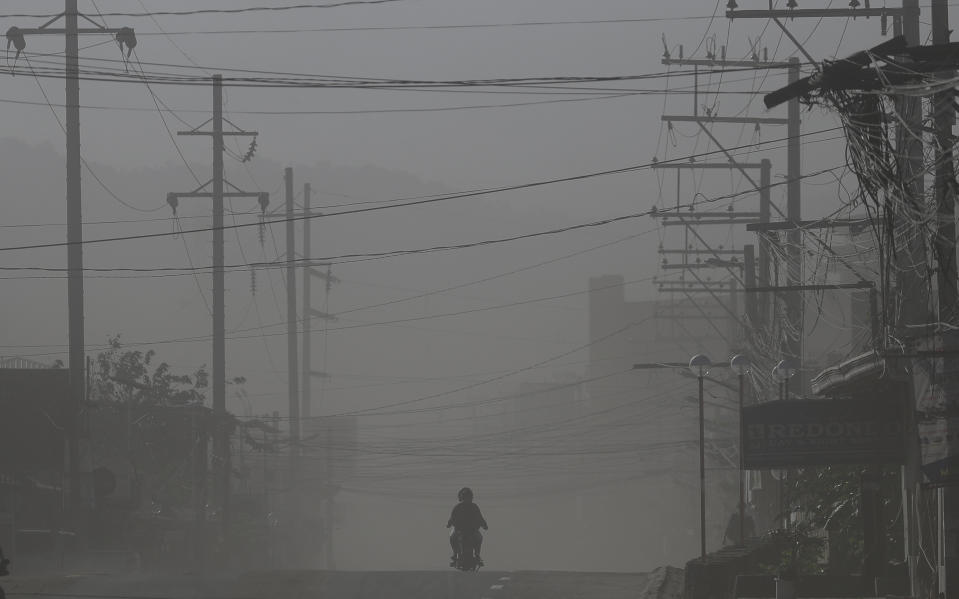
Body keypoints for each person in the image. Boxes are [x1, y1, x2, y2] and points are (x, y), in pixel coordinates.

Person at [446, 487, 488, 567]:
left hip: (472, 531)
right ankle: (455, 554)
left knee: (479, 538)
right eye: (466, 497)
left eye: (469, 497)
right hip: (459, 531)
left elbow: (480, 518)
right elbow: (452, 518)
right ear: (462, 498)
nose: (467, 499)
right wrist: (449, 524)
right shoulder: (458, 507)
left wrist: (484, 525)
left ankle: (477, 554)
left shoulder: (474, 507)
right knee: (452, 537)